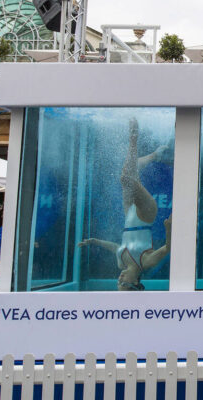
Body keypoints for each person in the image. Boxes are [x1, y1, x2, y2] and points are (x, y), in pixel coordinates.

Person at [78, 118, 172, 291]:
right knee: (127, 179)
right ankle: (134, 136)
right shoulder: (146, 262)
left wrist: (95, 241)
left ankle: (153, 155)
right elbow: (169, 247)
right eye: (124, 283)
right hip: (145, 216)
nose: (119, 279)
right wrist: (168, 228)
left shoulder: (121, 263)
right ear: (136, 283)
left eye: (118, 283)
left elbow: (116, 247)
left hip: (129, 218)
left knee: (127, 174)